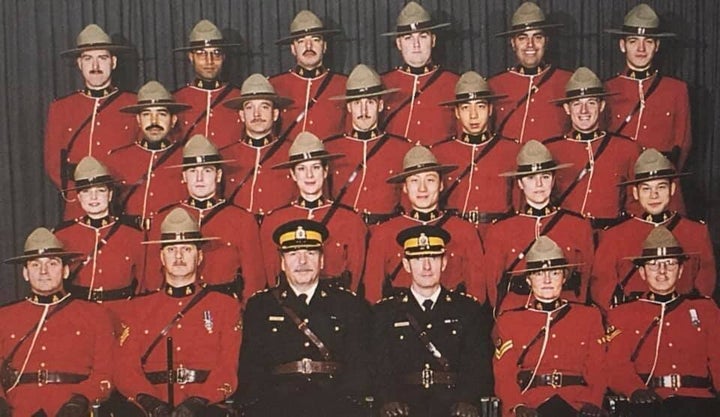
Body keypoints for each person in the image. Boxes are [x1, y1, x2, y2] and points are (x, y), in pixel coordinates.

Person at [114, 207, 242, 417]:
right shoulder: (136, 309)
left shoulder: (225, 306)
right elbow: (125, 369)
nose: (179, 256)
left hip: (204, 408)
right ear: (162, 258)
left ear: (199, 257)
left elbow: (227, 368)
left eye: (187, 249)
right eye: (172, 250)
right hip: (152, 408)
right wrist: (149, 401)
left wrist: (199, 401)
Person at [237, 219, 372, 417]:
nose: (302, 262)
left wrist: (348, 402)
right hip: (277, 405)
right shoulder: (261, 306)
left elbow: (358, 363)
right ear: (282, 262)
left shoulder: (348, 304)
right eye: (293, 254)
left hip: (335, 403)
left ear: (322, 260)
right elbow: (252, 367)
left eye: (310, 253)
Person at [373, 225, 493, 417]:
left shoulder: (467, 310)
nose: (426, 266)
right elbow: (379, 365)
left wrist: (467, 399)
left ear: (444, 262)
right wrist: (388, 399)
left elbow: (477, 363)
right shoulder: (386, 312)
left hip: (453, 406)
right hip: (403, 407)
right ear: (406, 264)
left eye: (433, 258)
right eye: (418, 258)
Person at [605, 226, 720, 417]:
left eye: (670, 264)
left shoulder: (706, 310)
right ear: (642, 272)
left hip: (699, 403)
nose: (662, 272)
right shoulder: (621, 315)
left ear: (681, 270)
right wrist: (634, 389)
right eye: (653, 265)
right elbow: (615, 364)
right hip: (649, 402)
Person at [0, 227, 114, 417]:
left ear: (66, 271)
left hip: (72, 410)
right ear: (25, 273)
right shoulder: (5, 316)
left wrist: (81, 399)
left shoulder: (95, 315)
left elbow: (105, 374)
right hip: (19, 410)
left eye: (52, 263)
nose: (44, 271)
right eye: (35, 265)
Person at [492, 236, 606, 417]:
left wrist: (592, 401)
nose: (547, 280)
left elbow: (598, 368)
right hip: (530, 404)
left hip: (577, 404)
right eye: (538, 273)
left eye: (554, 273)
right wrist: (517, 405)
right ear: (529, 280)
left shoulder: (588, 317)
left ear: (564, 278)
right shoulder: (510, 321)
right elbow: (504, 374)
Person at [591, 148, 716, 310]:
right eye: (646, 189)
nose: (654, 195)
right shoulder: (615, 235)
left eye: (661, 187)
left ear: (672, 189)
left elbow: (705, 285)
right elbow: (602, 290)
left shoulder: (696, 232)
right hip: (633, 321)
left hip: (681, 317)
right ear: (635, 193)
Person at [149, 134, 267, 299]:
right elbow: (152, 279)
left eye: (207, 170)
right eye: (192, 171)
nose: (199, 178)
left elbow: (254, 280)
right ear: (184, 176)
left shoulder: (241, 219)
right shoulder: (163, 219)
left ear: (218, 175)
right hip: (176, 307)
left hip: (225, 307)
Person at [364, 146, 485, 304]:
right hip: (400, 316)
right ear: (405, 188)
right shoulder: (384, 233)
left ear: (441, 185)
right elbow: (373, 294)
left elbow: (477, 292)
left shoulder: (464, 230)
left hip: (452, 315)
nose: (422, 188)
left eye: (430, 180)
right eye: (415, 180)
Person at [484, 140, 594, 314]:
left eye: (545, 177)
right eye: (531, 178)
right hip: (516, 310)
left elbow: (586, 278)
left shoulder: (577, 225)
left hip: (567, 309)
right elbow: (492, 284)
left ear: (553, 180)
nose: (539, 185)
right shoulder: (501, 229)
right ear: (520, 183)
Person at [45, 24, 136, 219]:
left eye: (102, 58)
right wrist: (80, 196)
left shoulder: (133, 104)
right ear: (79, 63)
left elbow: (142, 157)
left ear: (113, 62)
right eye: (88, 59)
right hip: (78, 207)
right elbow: (54, 163)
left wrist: (118, 195)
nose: (95, 66)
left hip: (123, 206)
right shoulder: (62, 107)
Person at [260, 131, 368, 291]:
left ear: (325, 172)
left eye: (315, 167)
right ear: (293, 174)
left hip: (336, 303)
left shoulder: (350, 220)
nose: (309, 175)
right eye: (302, 169)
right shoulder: (275, 220)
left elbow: (355, 274)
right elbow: (272, 275)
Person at [543, 67, 641, 228]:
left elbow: (635, 205)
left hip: (610, 236)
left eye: (591, 102)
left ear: (601, 105)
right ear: (567, 108)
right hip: (567, 237)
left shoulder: (626, 149)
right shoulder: (551, 150)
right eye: (577, 104)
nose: (584, 111)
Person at [53, 156, 146, 323]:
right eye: (86, 191)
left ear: (110, 195)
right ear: (79, 197)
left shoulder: (133, 235)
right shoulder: (62, 236)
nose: (93, 197)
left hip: (122, 314)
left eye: (100, 190)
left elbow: (143, 286)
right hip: (78, 316)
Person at [432, 70, 520, 237]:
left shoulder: (510, 151)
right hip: (454, 236)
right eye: (465, 108)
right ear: (457, 112)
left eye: (480, 106)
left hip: (498, 235)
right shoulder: (440, 153)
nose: (473, 115)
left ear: (490, 109)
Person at [604, 3, 691, 172]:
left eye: (648, 41)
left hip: (659, 181)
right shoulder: (607, 88)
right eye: (633, 41)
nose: (641, 49)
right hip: (618, 176)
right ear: (622, 45)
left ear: (657, 46)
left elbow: (683, 143)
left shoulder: (676, 90)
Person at [324, 64, 413, 225]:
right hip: (344, 231)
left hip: (385, 232)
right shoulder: (331, 148)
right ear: (349, 107)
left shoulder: (401, 149)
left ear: (380, 105)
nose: (363, 110)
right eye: (357, 103)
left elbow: (408, 207)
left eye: (370, 102)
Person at [106, 80, 191, 223]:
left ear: (173, 120)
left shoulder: (185, 157)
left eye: (161, 114)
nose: (154, 121)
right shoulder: (118, 160)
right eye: (147, 114)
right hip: (131, 239)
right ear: (138, 120)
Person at [488, 2, 571, 144]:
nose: (530, 44)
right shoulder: (494, 85)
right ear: (513, 43)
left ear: (546, 41)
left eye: (537, 37)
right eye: (522, 38)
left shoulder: (567, 81)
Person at [380, 1, 459, 146]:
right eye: (408, 38)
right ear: (398, 43)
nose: (416, 44)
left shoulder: (454, 83)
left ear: (433, 40)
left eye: (423, 36)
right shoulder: (383, 84)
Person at [220, 73, 297, 216]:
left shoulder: (292, 153)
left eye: (264, 107)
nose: (257, 114)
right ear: (242, 115)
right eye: (250, 107)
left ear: (275, 114)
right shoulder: (225, 157)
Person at [270, 10, 348, 140]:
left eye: (316, 40)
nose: (308, 46)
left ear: (324, 46)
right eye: (301, 41)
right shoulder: (275, 86)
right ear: (293, 48)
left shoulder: (343, 84)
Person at [173, 19, 244, 150]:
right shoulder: (176, 100)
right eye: (201, 53)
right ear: (190, 56)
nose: (209, 61)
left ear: (223, 57)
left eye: (215, 53)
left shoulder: (239, 98)